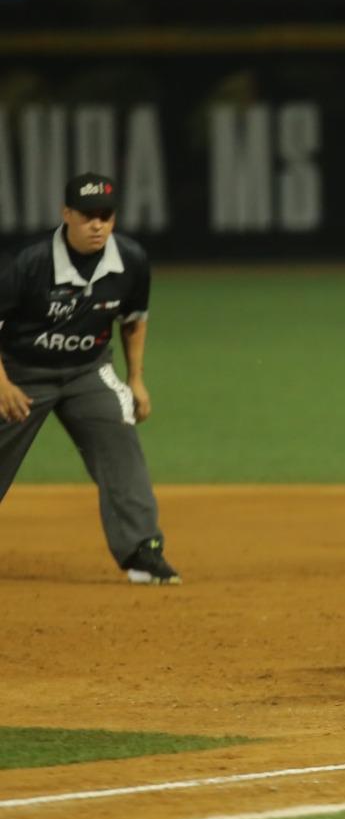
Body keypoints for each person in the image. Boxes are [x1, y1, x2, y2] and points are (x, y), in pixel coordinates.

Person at [0, 172, 179, 585]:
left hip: (87, 371)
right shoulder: (31, 263)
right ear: (66, 214)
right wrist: (3, 384)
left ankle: (142, 551)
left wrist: (136, 379)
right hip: (20, 372)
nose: (97, 224)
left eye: (106, 215)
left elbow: (134, 320)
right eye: (87, 215)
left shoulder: (129, 260)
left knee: (119, 433)